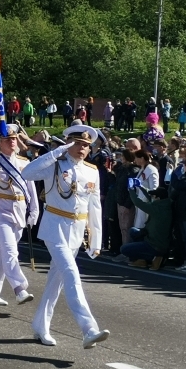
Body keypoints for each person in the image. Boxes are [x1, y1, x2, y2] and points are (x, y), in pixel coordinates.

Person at [21, 125, 110, 349]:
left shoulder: (91, 170)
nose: (82, 149)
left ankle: (40, 326)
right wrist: (54, 153)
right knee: (71, 274)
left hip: (77, 230)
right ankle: (88, 329)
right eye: (78, 144)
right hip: (55, 227)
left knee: (56, 283)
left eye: (87, 146)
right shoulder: (54, 165)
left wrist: (96, 240)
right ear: (69, 144)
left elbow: (95, 206)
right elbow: (27, 173)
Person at [0, 124, 39, 305]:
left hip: (19, 211)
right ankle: (19, 288)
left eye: (14, 138)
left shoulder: (24, 163)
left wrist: (34, 210)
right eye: (7, 139)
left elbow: (31, 190)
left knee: (3, 254)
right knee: (10, 251)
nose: (12, 142)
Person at [119, 185, 172, 269]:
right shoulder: (164, 205)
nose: (152, 197)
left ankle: (154, 258)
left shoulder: (157, 209)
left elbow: (138, 202)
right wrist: (140, 186)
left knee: (124, 249)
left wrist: (131, 190)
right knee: (133, 231)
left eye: (154, 196)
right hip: (156, 240)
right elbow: (150, 196)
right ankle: (141, 260)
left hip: (155, 245)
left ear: (158, 198)